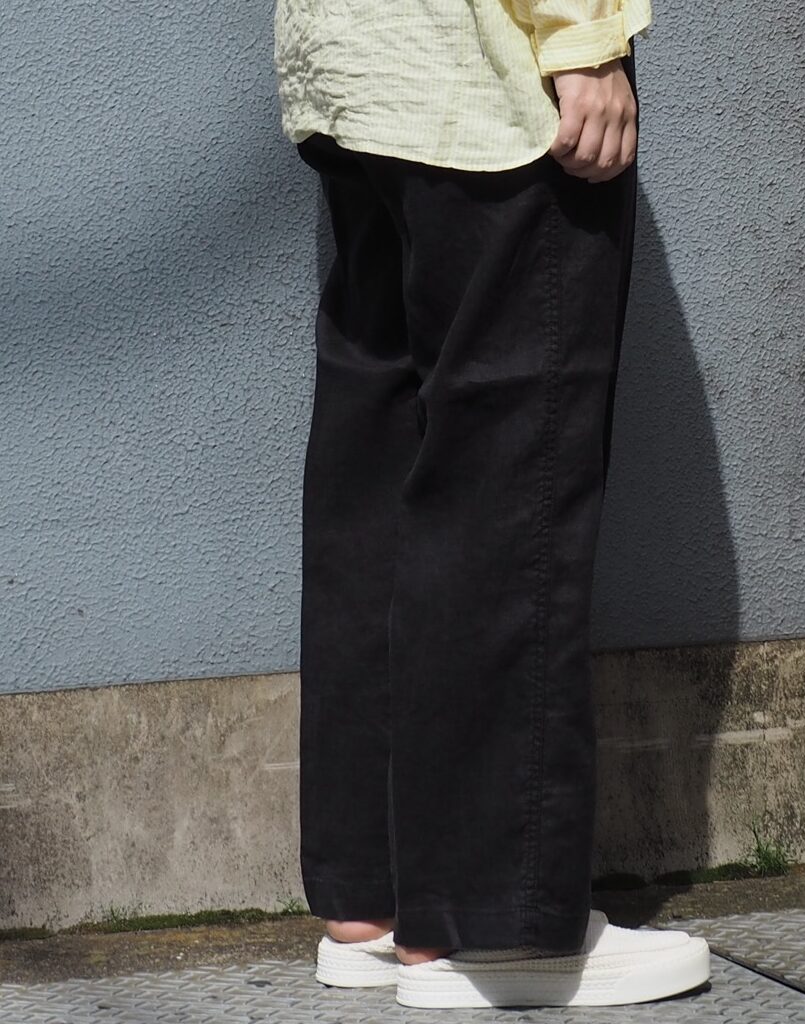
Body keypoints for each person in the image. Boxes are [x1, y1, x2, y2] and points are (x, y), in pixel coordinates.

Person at [272, 0, 711, 1009]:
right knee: (512, 483)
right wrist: (582, 40)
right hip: (486, 79)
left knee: (376, 479)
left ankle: (378, 899)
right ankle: (489, 924)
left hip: (353, 69)